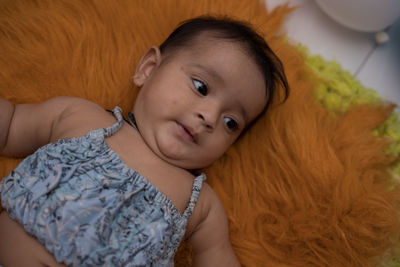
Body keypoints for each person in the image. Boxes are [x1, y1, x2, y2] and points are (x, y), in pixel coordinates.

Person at [0, 16, 289, 266]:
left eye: (231, 123)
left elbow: (218, 259)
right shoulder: (80, 116)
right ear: (148, 69)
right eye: (201, 87)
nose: (210, 117)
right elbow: (10, 125)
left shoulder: (200, 204)